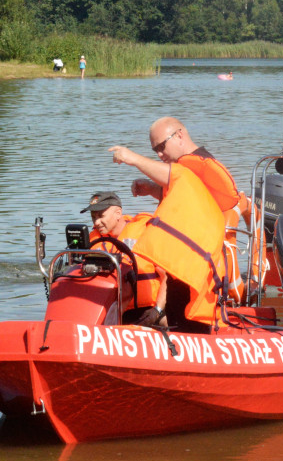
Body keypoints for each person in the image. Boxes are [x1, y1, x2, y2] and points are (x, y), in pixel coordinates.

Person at [109, 117, 255, 325]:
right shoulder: (186, 170)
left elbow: (180, 179)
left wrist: (133, 158)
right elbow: (188, 202)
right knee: (178, 324)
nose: (159, 154)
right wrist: (154, 189)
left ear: (179, 135)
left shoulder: (199, 164)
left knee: (191, 327)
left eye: (161, 146)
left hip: (198, 273)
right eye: (155, 151)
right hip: (182, 270)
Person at [81, 191, 163, 323]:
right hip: (113, 310)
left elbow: (168, 278)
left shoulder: (146, 233)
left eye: (101, 216)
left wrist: (157, 310)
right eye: (93, 217)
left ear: (118, 213)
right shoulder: (93, 241)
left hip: (149, 310)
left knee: (166, 322)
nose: (97, 222)